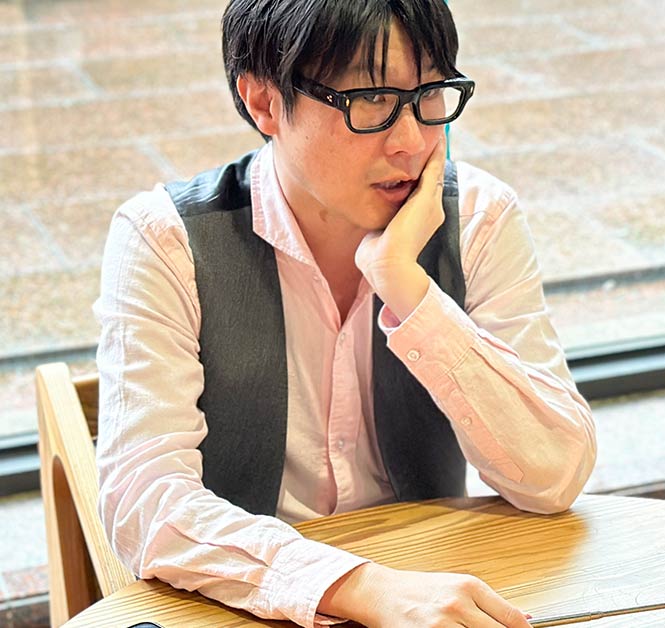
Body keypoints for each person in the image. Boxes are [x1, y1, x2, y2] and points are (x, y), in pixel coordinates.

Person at [92, 1, 596, 626]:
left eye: (429, 94)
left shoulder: (478, 219)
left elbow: (555, 475)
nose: (411, 142)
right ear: (264, 101)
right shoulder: (164, 240)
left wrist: (406, 286)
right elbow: (143, 500)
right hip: (242, 607)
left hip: (434, 592)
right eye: (371, 100)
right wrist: (360, 586)